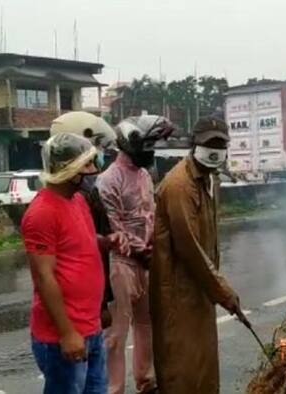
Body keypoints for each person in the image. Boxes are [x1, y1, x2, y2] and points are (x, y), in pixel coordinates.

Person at [21, 132, 126, 394]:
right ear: (69, 169)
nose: (95, 170)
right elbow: (44, 278)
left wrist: (107, 241)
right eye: (88, 164)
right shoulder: (42, 213)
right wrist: (67, 333)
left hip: (89, 328)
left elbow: (83, 242)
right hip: (62, 337)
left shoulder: (78, 201)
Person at [150, 116, 245, 394]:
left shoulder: (211, 179)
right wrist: (223, 292)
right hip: (177, 293)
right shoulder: (180, 185)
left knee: (203, 368)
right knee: (181, 369)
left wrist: (215, 289)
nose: (215, 150)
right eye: (208, 143)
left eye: (220, 144)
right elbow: (190, 248)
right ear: (194, 144)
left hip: (200, 289)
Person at [97, 114, 174, 394]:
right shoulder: (108, 180)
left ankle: (146, 381)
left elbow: (151, 216)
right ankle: (114, 389)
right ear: (128, 145)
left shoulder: (145, 175)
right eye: (147, 146)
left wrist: (153, 246)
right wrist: (142, 252)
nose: (151, 152)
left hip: (146, 262)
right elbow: (113, 224)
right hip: (121, 263)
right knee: (117, 334)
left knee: (147, 325)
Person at [50, 111, 118, 329]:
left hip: (91, 306)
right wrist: (101, 306)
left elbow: (99, 250)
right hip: (76, 313)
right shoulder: (58, 204)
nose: (98, 161)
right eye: (94, 151)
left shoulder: (87, 194)